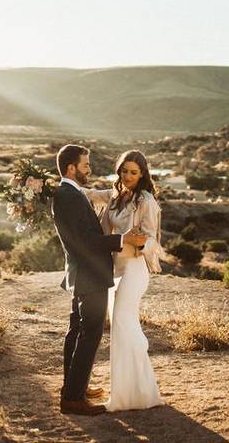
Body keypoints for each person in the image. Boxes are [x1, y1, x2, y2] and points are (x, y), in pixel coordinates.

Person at [52, 144, 148, 416]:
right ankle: (73, 398)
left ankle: (73, 388)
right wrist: (122, 239)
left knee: (76, 331)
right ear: (71, 167)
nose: (89, 169)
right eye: (85, 165)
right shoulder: (67, 195)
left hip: (83, 273)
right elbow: (84, 241)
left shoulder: (70, 192)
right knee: (89, 333)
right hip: (89, 274)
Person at [82, 149, 165, 411]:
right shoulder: (115, 195)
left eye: (133, 172)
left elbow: (153, 241)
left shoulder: (146, 201)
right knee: (121, 328)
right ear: (118, 171)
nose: (127, 176)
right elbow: (87, 195)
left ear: (142, 175)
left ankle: (132, 393)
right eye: (124, 171)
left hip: (134, 268)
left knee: (121, 323)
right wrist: (58, 187)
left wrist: (140, 243)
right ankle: (137, 391)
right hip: (114, 270)